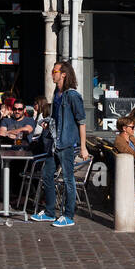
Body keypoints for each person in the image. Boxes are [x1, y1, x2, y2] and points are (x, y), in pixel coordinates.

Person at [31, 60, 88, 228]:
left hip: (66, 143)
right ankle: (49, 212)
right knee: (47, 175)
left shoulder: (73, 95)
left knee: (68, 179)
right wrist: (48, 122)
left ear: (63, 74)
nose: (52, 74)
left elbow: (82, 122)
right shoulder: (57, 92)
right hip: (54, 142)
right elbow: (57, 117)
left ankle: (68, 215)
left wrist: (83, 146)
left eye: (55, 71)